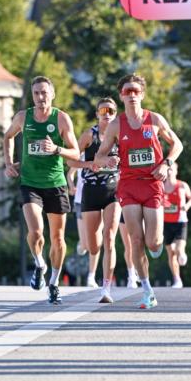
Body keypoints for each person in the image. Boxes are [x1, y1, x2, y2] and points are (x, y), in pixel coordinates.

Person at [95, 73, 182, 310]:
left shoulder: (154, 119)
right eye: (127, 91)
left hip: (153, 184)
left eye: (135, 91)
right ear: (121, 96)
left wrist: (166, 163)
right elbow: (99, 156)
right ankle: (147, 291)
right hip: (129, 185)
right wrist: (107, 160)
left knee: (153, 243)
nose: (132, 95)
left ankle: (155, 245)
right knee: (135, 240)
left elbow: (177, 144)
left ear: (142, 94)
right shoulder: (116, 125)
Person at [3, 75, 80, 305]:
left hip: (56, 184)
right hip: (30, 183)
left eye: (44, 92)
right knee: (36, 232)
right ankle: (39, 264)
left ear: (52, 94)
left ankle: (54, 283)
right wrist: (9, 163)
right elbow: (8, 136)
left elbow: (76, 153)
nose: (40, 97)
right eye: (36, 93)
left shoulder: (61, 119)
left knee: (57, 238)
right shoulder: (23, 117)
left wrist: (56, 149)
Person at [68, 97, 121, 304]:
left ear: (115, 114)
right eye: (103, 111)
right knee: (93, 246)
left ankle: (106, 288)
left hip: (113, 191)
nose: (107, 114)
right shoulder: (89, 135)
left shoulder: (120, 135)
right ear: (97, 114)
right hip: (90, 192)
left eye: (111, 111)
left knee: (109, 238)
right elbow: (71, 160)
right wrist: (89, 164)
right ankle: (89, 246)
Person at [162, 162, 191, 288]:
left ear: (176, 171)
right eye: (168, 170)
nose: (169, 172)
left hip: (180, 222)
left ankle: (182, 254)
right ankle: (177, 279)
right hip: (166, 223)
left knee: (179, 250)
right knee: (171, 252)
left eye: (172, 169)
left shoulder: (182, 185)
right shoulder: (161, 187)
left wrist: (187, 206)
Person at [66, 165, 100, 286]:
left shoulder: (103, 155)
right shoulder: (81, 156)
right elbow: (70, 174)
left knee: (96, 241)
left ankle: (91, 276)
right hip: (80, 201)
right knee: (86, 245)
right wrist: (71, 186)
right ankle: (82, 244)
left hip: (99, 200)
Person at [119, 216, 140, 289]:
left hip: (138, 213)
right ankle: (132, 276)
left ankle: (139, 268)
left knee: (138, 244)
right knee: (128, 247)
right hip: (123, 214)